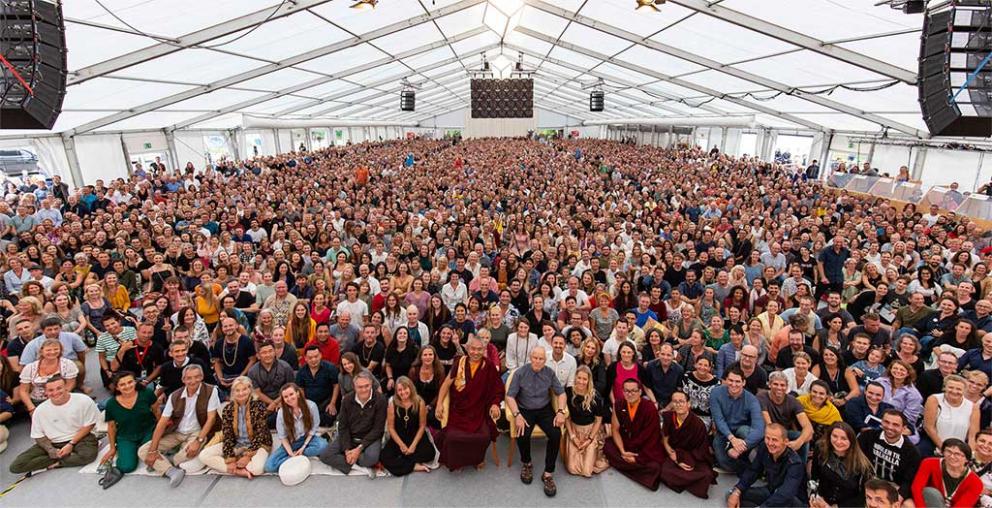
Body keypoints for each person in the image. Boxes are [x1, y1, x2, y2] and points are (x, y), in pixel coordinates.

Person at [138, 364, 219, 486]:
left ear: (202, 377)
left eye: (197, 377)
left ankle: (165, 462)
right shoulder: (174, 396)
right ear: (183, 380)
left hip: (197, 432)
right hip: (176, 432)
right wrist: (153, 450)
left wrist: (199, 440)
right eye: (189, 378)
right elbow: (162, 423)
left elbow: (211, 418)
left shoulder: (211, 391)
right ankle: (171, 471)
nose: (193, 381)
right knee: (143, 451)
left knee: (187, 454)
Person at [434, 335, 505, 471]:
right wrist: (439, 404)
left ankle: (477, 459)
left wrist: (495, 403)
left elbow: (497, 389)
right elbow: (446, 384)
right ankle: (458, 461)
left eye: (479, 349)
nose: (476, 352)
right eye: (473, 349)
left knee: (483, 436)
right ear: (467, 348)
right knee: (452, 436)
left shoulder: (488, 365)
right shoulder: (459, 362)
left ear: (484, 350)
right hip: (460, 409)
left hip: (478, 410)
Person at [505, 346, 567, 496]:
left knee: (555, 434)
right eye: (535, 358)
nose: (538, 361)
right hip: (525, 409)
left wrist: (560, 411)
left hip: (544, 409)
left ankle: (548, 473)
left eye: (541, 359)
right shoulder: (520, 373)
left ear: (545, 360)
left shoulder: (549, 373)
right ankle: (527, 463)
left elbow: (562, 393)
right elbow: (510, 396)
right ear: (530, 358)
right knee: (522, 434)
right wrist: (517, 414)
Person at [9, 376, 99, 474]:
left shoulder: (83, 400)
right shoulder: (40, 411)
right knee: (16, 466)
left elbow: (89, 425)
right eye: (51, 390)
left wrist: (71, 444)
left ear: (66, 387)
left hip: (80, 438)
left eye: (59, 388)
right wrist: (51, 450)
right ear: (46, 393)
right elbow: (38, 436)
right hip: (53, 442)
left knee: (88, 456)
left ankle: (59, 463)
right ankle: (65, 458)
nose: (55, 393)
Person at [198, 376, 271, 478]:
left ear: (250, 389)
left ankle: (240, 464)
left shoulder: (259, 406)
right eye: (237, 390)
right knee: (204, 455)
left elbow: (260, 434)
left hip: (258, 445)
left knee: (257, 469)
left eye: (244, 389)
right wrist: (230, 459)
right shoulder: (228, 409)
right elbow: (227, 436)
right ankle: (238, 471)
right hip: (237, 444)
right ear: (233, 392)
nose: (241, 393)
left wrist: (247, 456)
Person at [320, 370, 387, 476]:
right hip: (350, 435)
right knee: (325, 456)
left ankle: (350, 458)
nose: (364, 390)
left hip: (370, 437)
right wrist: (347, 450)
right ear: (354, 387)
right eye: (360, 387)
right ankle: (351, 460)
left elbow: (378, 429)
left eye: (367, 386)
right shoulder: (347, 400)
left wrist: (359, 449)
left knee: (371, 459)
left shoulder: (380, 400)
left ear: (371, 384)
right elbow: (343, 426)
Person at [604, 378, 667, 491]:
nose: (630, 394)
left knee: (655, 466)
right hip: (626, 442)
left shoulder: (649, 408)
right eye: (627, 391)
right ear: (623, 392)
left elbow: (652, 437)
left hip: (644, 448)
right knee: (607, 446)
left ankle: (630, 464)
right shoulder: (618, 404)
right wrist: (622, 451)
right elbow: (615, 429)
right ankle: (630, 464)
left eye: (633, 391)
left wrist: (637, 459)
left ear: (640, 392)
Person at [726, 423, 807, 508]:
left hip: (791, 501)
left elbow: (786, 494)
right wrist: (737, 491)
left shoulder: (795, 463)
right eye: (767, 438)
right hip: (771, 492)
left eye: (775, 440)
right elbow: (753, 471)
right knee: (732, 496)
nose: (770, 443)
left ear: (785, 442)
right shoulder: (764, 448)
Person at [661, 390, 718, 499]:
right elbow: (665, 438)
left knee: (707, 475)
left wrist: (683, 459)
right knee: (664, 471)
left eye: (681, 401)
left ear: (688, 404)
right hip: (674, 452)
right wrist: (673, 456)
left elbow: (702, 449)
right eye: (675, 402)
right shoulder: (668, 417)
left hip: (693, 456)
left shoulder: (698, 424)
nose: (678, 405)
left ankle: (682, 481)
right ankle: (689, 481)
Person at [101, 371, 160, 476]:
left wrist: (162, 432)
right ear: (117, 388)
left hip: (148, 431)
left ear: (135, 382)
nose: (127, 386)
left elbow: (157, 412)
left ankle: (137, 448)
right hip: (126, 435)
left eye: (130, 382)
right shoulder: (111, 404)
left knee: (151, 456)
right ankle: (127, 449)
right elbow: (111, 427)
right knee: (126, 467)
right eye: (122, 384)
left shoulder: (147, 393)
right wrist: (112, 448)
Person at [858, 409, 922, 503]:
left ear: (904, 428)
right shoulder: (867, 436)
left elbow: (908, 482)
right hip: (868, 481)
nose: (890, 427)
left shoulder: (912, 452)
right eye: (886, 422)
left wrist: (898, 499)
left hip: (893, 487)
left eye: (895, 425)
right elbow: (856, 460)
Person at [711, 367, 765, 474]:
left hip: (742, 432)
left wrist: (741, 447)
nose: (733, 384)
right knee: (721, 457)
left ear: (743, 382)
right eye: (730, 380)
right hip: (724, 433)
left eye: (737, 381)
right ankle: (750, 469)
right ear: (726, 380)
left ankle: (750, 464)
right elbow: (719, 420)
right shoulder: (715, 393)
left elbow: (759, 429)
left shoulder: (752, 399)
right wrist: (732, 438)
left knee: (746, 431)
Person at [380, 376, 437, 476]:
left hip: (415, 435)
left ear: (411, 388)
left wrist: (413, 446)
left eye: (405, 388)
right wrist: (401, 445)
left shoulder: (420, 402)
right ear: (396, 391)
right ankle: (414, 466)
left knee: (430, 453)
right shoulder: (393, 403)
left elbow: (422, 426)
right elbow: (391, 428)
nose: (403, 392)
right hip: (399, 436)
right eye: (399, 390)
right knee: (384, 457)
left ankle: (404, 462)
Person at [808, 422, 874, 508]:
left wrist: (836, 507)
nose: (838, 442)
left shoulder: (863, 465)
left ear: (851, 441)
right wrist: (814, 496)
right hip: (822, 499)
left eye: (844, 438)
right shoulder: (820, 448)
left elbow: (864, 497)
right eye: (835, 436)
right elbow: (815, 476)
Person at [264, 383, 327, 473]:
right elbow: (283, 437)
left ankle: (301, 453)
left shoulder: (311, 406)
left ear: (297, 393)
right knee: (269, 467)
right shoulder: (281, 413)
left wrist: (303, 447)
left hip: (307, 439)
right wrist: (291, 454)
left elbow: (313, 428)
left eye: (291, 394)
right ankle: (293, 457)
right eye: (286, 397)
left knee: (323, 446)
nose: (289, 398)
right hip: (291, 441)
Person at [563, 365, 609, 478]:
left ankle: (593, 451)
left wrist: (589, 439)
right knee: (572, 468)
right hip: (573, 429)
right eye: (579, 378)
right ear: (575, 378)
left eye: (585, 379)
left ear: (589, 380)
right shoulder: (568, 393)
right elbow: (567, 417)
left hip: (590, 430)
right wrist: (572, 436)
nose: (581, 382)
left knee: (586, 470)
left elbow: (598, 420)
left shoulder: (595, 397)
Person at [759, 371, 814, 463]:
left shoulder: (793, 401)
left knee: (803, 437)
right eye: (775, 384)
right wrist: (781, 442)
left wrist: (798, 442)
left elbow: (808, 428)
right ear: (769, 385)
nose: (779, 388)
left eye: (782, 385)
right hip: (767, 432)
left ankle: (800, 470)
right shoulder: (762, 397)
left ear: (787, 387)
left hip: (784, 433)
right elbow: (769, 425)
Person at [920, 374, 981, 457]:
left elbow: (972, 436)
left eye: (959, 389)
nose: (954, 391)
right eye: (951, 387)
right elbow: (928, 427)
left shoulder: (973, 407)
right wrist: (943, 448)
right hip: (933, 443)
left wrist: (970, 455)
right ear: (945, 388)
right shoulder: (934, 399)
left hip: (959, 448)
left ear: (964, 391)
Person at [911, 438, 983, 508]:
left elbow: (963, 505)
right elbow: (916, 488)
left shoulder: (976, 482)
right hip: (929, 503)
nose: (952, 456)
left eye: (957, 454)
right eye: (948, 451)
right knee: (923, 496)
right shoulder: (929, 463)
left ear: (967, 459)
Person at [247, 340, 295, 426]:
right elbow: (257, 392)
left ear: (275, 352)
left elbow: (291, 388)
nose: (268, 355)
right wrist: (271, 403)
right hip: (262, 402)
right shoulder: (252, 371)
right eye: (264, 352)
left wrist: (276, 403)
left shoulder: (285, 367)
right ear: (258, 355)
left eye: (270, 351)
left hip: (283, 400)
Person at [295, 345, 340, 427]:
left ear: (320, 355)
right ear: (305, 358)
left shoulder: (330, 368)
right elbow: (300, 388)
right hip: (310, 403)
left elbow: (336, 385)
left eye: (316, 356)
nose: (313, 360)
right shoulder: (301, 371)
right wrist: (304, 405)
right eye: (310, 357)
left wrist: (332, 403)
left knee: (328, 419)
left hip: (326, 402)